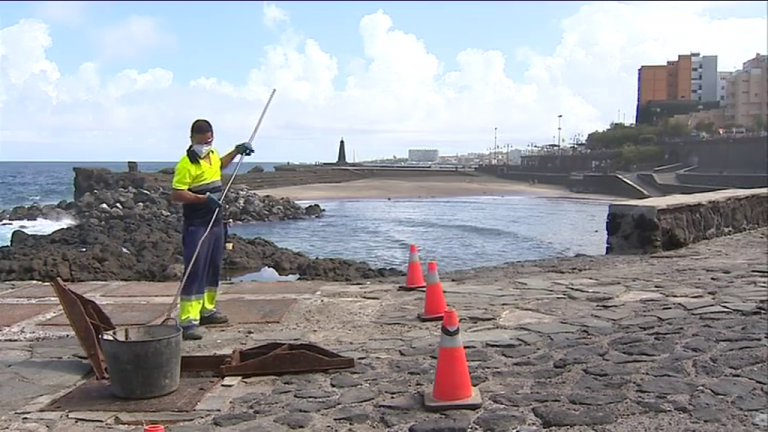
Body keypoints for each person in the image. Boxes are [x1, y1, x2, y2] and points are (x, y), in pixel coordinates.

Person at [170, 119, 254, 340]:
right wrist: (201, 199)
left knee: (212, 267)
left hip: (217, 221)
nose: (207, 143)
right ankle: (188, 320)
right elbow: (177, 194)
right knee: (195, 268)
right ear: (192, 139)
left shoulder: (213, 155)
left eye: (210, 138)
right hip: (196, 223)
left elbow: (220, 165)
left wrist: (236, 151)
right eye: (203, 139)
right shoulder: (186, 164)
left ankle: (207, 310)